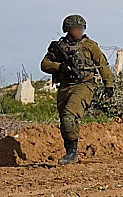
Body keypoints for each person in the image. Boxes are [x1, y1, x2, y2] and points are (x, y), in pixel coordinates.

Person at [40, 15, 114, 165]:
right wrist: (59, 67)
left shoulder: (90, 45)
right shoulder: (59, 47)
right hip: (64, 87)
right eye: (76, 29)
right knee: (65, 122)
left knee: (69, 116)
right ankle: (69, 150)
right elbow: (44, 64)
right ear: (68, 29)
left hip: (83, 85)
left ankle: (72, 153)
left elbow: (103, 65)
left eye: (81, 28)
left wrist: (109, 85)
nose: (79, 31)